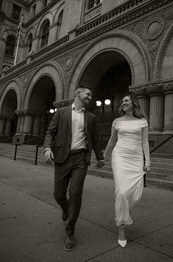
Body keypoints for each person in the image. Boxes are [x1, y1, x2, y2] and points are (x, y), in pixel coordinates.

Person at [43, 86, 104, 251]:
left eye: (91, 95)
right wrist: (47, 148)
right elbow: (50, 132)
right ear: (78, 94)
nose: (90, 97)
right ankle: (66, 209)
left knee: (76, 194)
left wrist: (99, 157)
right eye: (88, 94)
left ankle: (70, 232)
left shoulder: (91, 117)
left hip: (80, 160)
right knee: (58, 194)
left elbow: (96, 138)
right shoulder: (61, 112)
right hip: (62, 158)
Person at [104, 92, 150, 248]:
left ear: (133, 103)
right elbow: (112, 140)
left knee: (136, 195)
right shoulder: (117, 122)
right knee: (122, 192)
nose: (123, 103)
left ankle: (122, 210)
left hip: (136, 159)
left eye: (126, 100)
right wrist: (105, 155)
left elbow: (144, 142)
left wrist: (147, 161)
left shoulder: (142, 122)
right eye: (122, 101)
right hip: (120, 157)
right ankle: (121, 228)